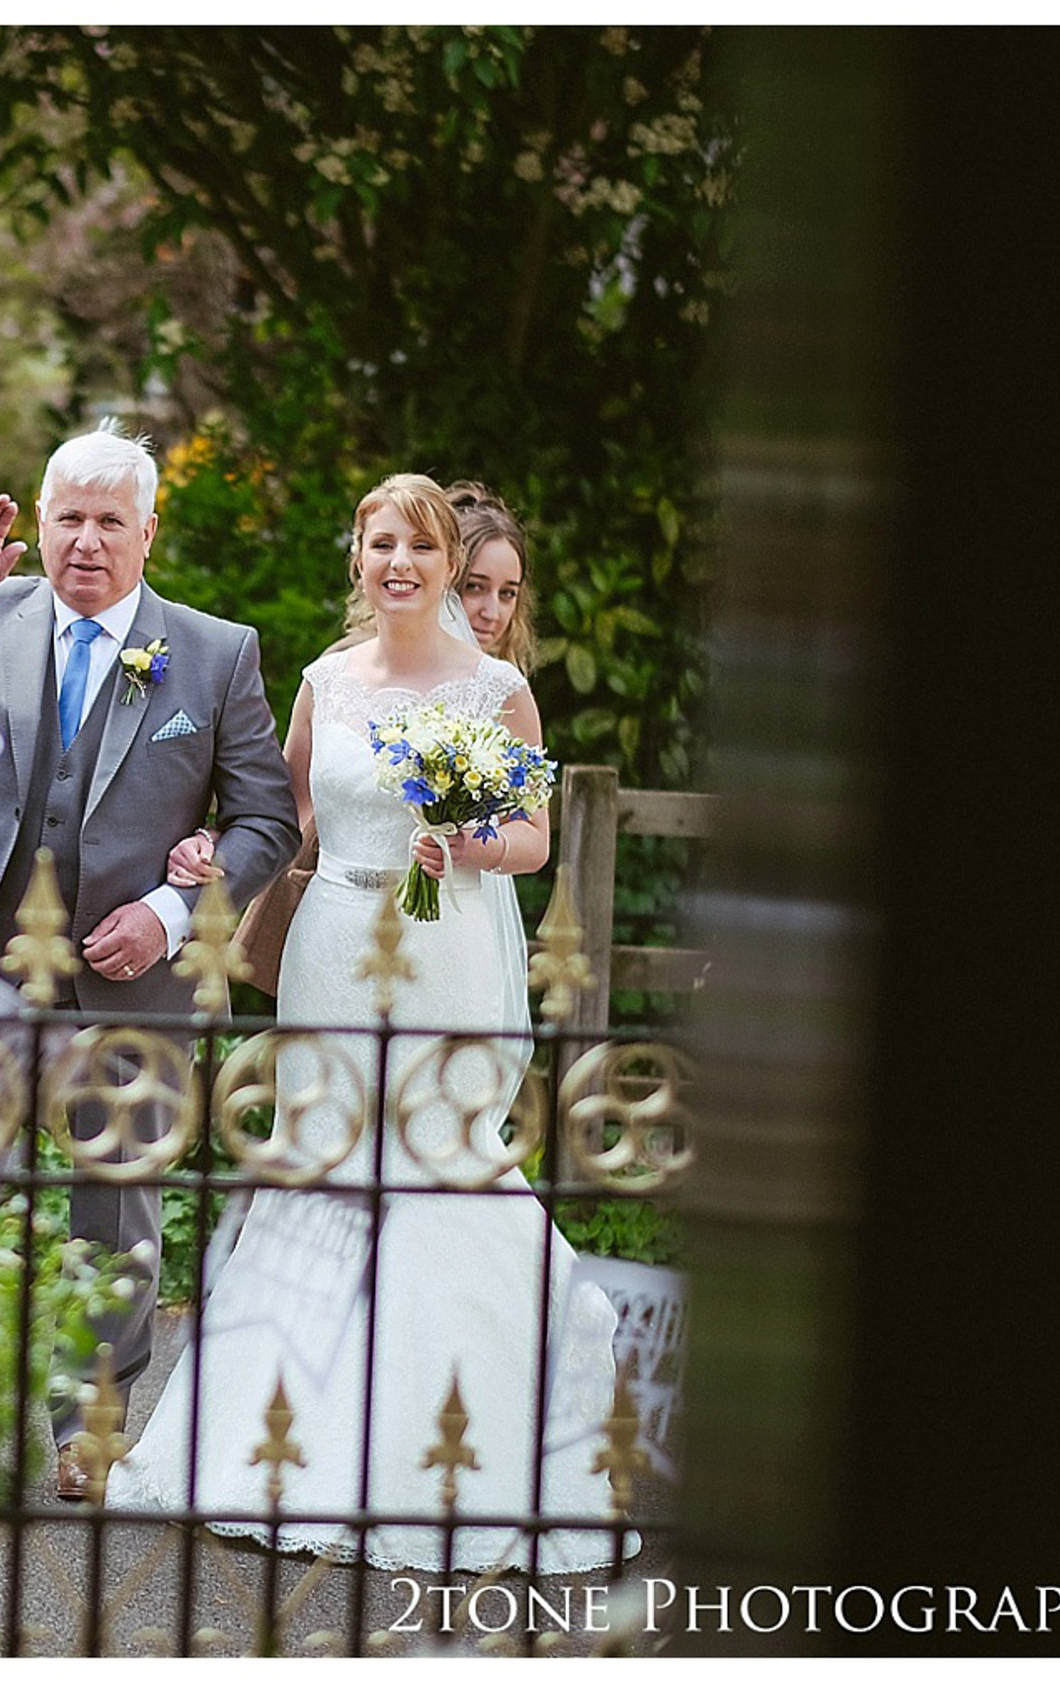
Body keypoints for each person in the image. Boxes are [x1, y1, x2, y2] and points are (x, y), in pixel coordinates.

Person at [110, 473, 632, 1574]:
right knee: (319, 1159)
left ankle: (441, 1452)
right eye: (380, 542)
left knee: (431, 1158)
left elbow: (532, 838)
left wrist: (468, 841)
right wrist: (216, 853)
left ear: (449, 564)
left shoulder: (494, 690)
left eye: (420, 547)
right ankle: (273, 1442)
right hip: (334, 946)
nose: (400, 562)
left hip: (437, 948)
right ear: (357, 557)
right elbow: (281, 814)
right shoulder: (323, 682)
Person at [0, 423, 299, 1500]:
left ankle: (90, 1426)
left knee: (116, 1206)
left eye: (110, 520)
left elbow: (264, 821)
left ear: (148, 532)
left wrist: (172, 911)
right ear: (42, 518)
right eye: (67, 516)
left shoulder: (215, 652)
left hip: (131, 979)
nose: (85, 540)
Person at [446, 479, 538, 671]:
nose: (492, 614)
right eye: (474, 587)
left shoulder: (505, 690)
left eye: (507, 593)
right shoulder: (374, 676)